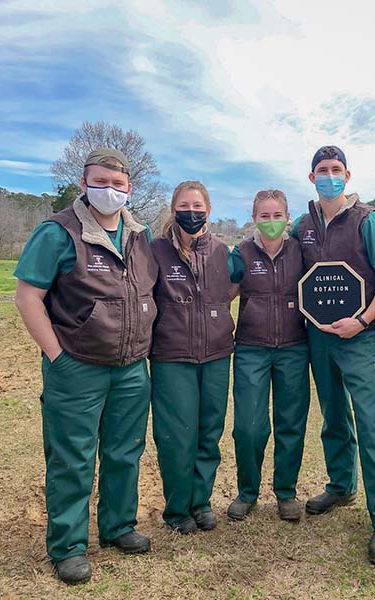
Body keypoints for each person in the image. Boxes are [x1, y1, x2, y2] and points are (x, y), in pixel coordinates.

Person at [14, 148, 157, 585]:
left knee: (124, 452)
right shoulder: (57, 232)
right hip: (77, 364)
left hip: (132, 367)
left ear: (129, 188)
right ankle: (69, 546)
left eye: (118, 184)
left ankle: (118, 527)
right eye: (100, 182)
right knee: (73, 458)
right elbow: (28, 296)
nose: (109, 191)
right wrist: (57, 355)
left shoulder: (139, 234)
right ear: (83, 183)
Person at [290, 145, 375, 564]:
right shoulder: (303, 224)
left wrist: (363, 318)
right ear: (311, 177)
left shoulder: (368, 220)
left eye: (336, 169)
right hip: (318, 336)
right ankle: (341, 484)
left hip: (360, 335)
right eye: (322, 170)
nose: (329, 176)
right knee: (333, 416)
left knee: (372, 423)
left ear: (348, 175)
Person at [149, 180, 234, 535]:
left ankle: (201, 502)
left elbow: (236, 285)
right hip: (172, 355)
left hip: (216, 354)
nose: (192, 213)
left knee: (209, 432)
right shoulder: (155, 250)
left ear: (208, 211)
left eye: (198, 207)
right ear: (174, 210)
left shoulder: (222, 251)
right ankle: (177, 509)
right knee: (176, 436)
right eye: (184, 206)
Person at [226, 189, 310, 522]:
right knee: (248, 427)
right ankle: (247, 492)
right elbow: (221, 296)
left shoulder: (301, 251)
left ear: (288, 218)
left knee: (291, 423)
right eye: (264, 216)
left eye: (277, 216)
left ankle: (286, 492)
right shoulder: (241, 253)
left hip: (293, 347)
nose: (271, 222)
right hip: (251, 348)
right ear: (254, 217)